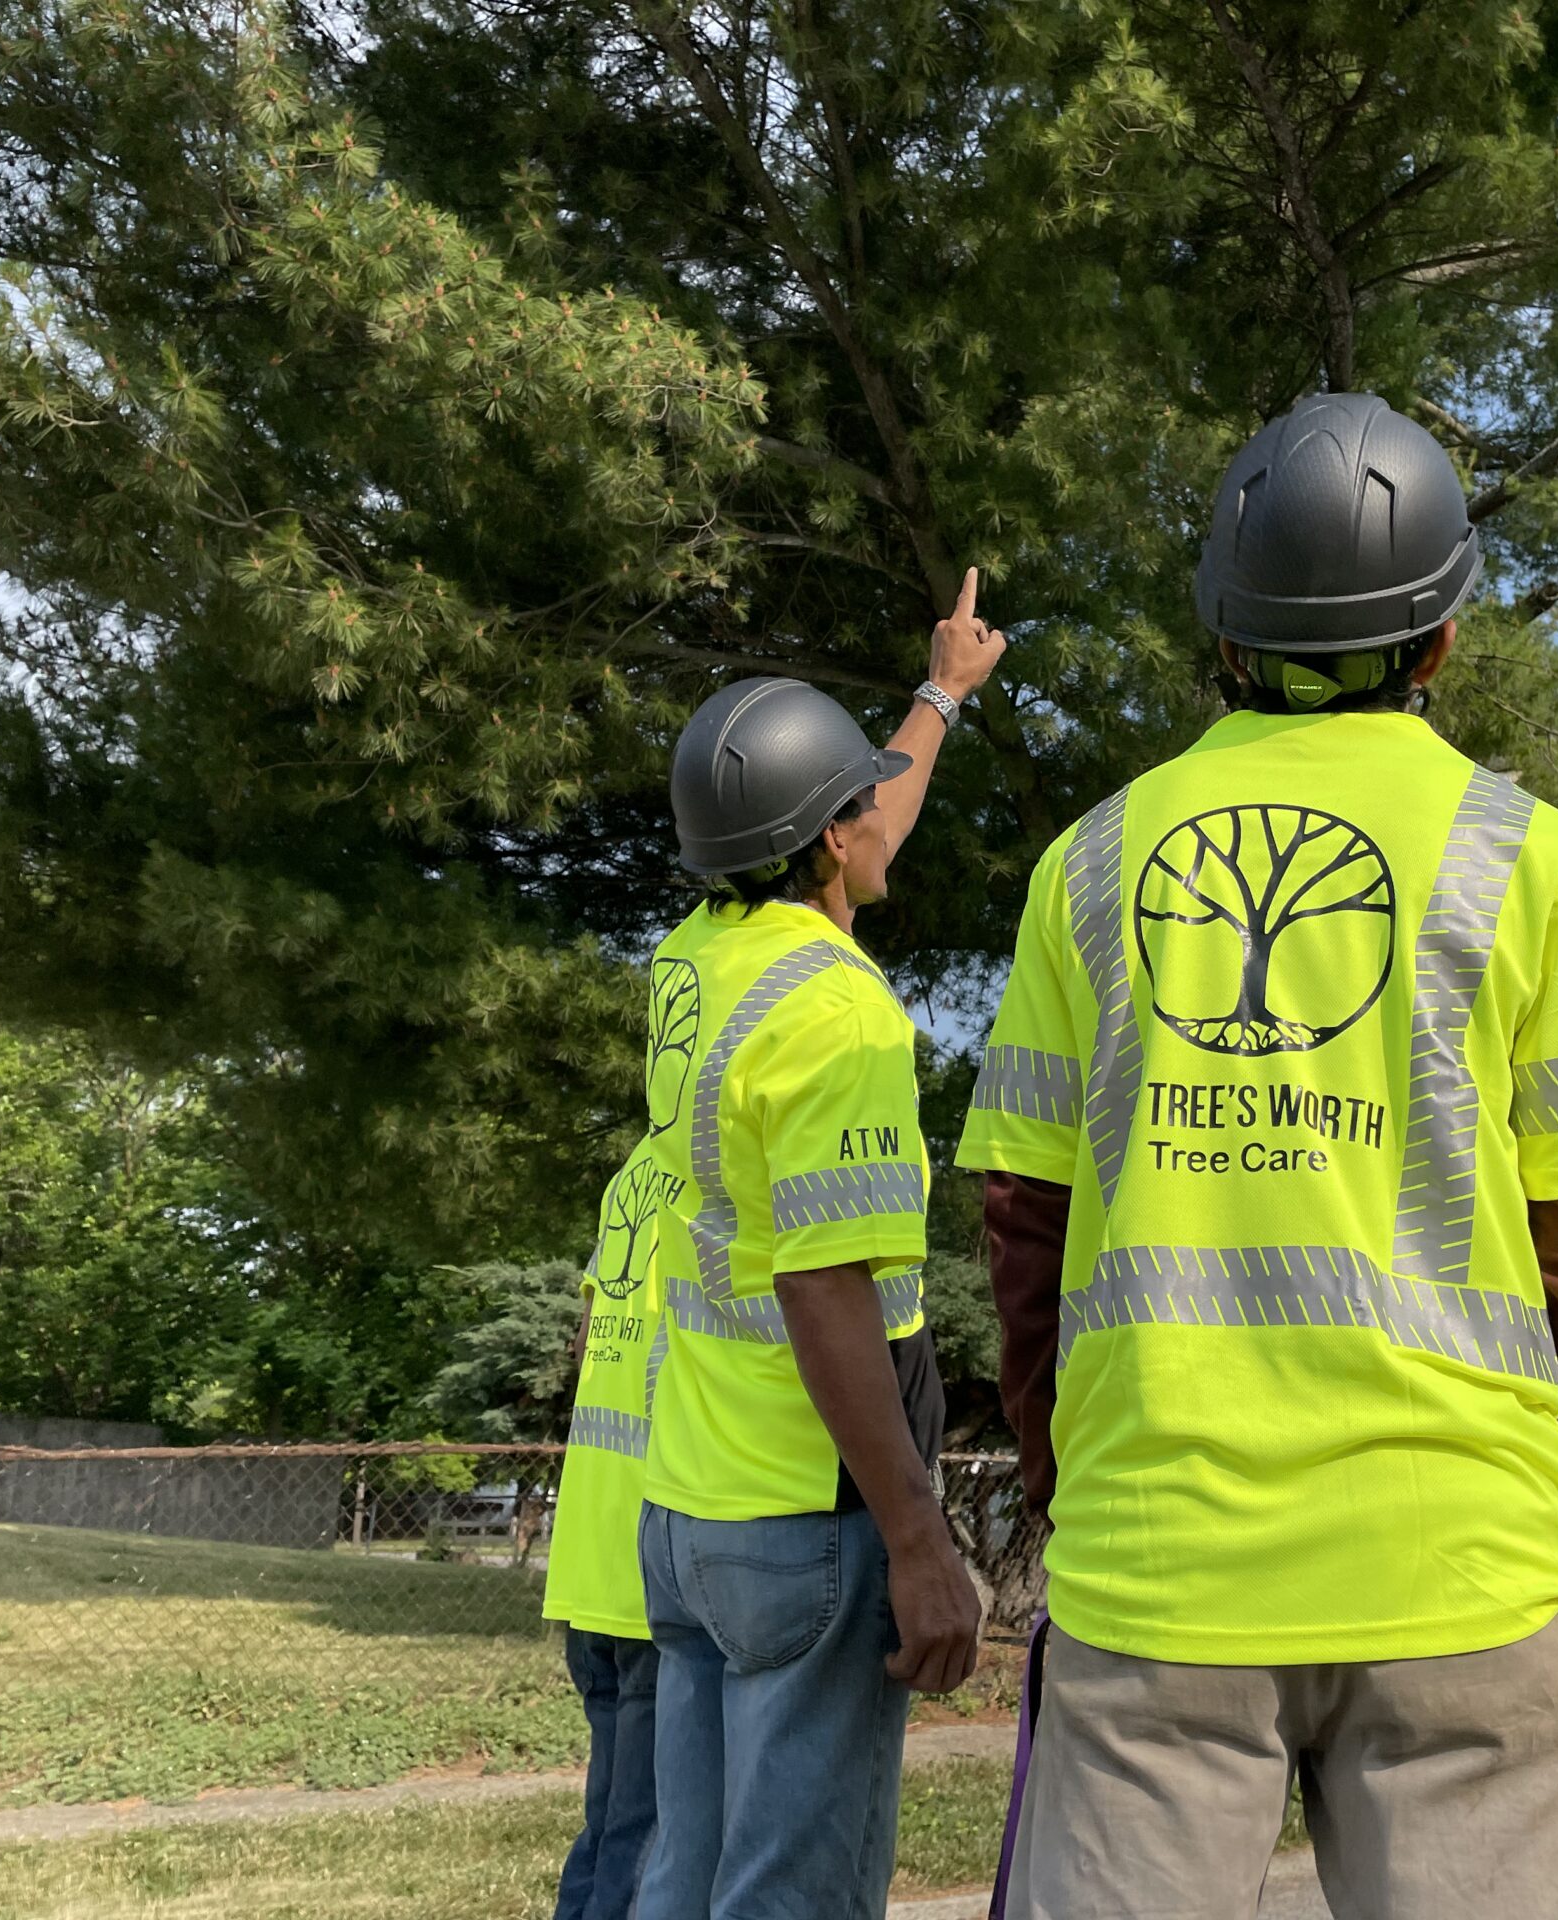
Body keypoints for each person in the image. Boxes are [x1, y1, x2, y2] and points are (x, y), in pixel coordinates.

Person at [956, 394, 1558, 1920]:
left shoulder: (1088, 868)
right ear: (1442, 639)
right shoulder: (1543, 863)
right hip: (1472, 1580)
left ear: (1221, 633)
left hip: (1155, 1574)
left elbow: (1024, 1233)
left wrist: (1070, 1497)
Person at [631, 578, 1006, 1919]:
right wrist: (918, 1540)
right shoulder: (839, 1014)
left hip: (686, 1519)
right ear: (830, 842)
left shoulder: (697, 960)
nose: (877, 815)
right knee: (791, 1899)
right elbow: (825, 1287)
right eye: (859, 805)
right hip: (806, 1522)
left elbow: (862, 815)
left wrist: (942, 692)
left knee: (684, 1880)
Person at [541, 1141, 671, 1920]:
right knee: (643, 1834)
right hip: (653, 1571)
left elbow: (592, 1338)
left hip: (588, 1563)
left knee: (612, 1822)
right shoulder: (709, 1164)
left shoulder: (634, 1172)